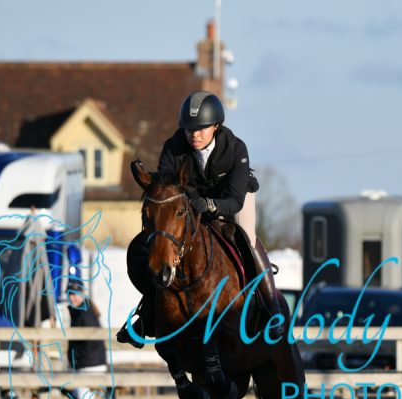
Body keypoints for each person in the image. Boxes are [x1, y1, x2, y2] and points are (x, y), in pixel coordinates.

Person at [118, 91, 281, 347]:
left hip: (232, 201)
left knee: (247, 239)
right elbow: (167, 190)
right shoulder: (173, 148)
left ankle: (270, 307)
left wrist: (209, 205)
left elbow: (234, 200)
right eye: (189, 129)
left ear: (216, 126)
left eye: (201, 129)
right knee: (156, 246)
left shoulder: (235, 148)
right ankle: (147, 311)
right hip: (190, 207)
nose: (194, 134)